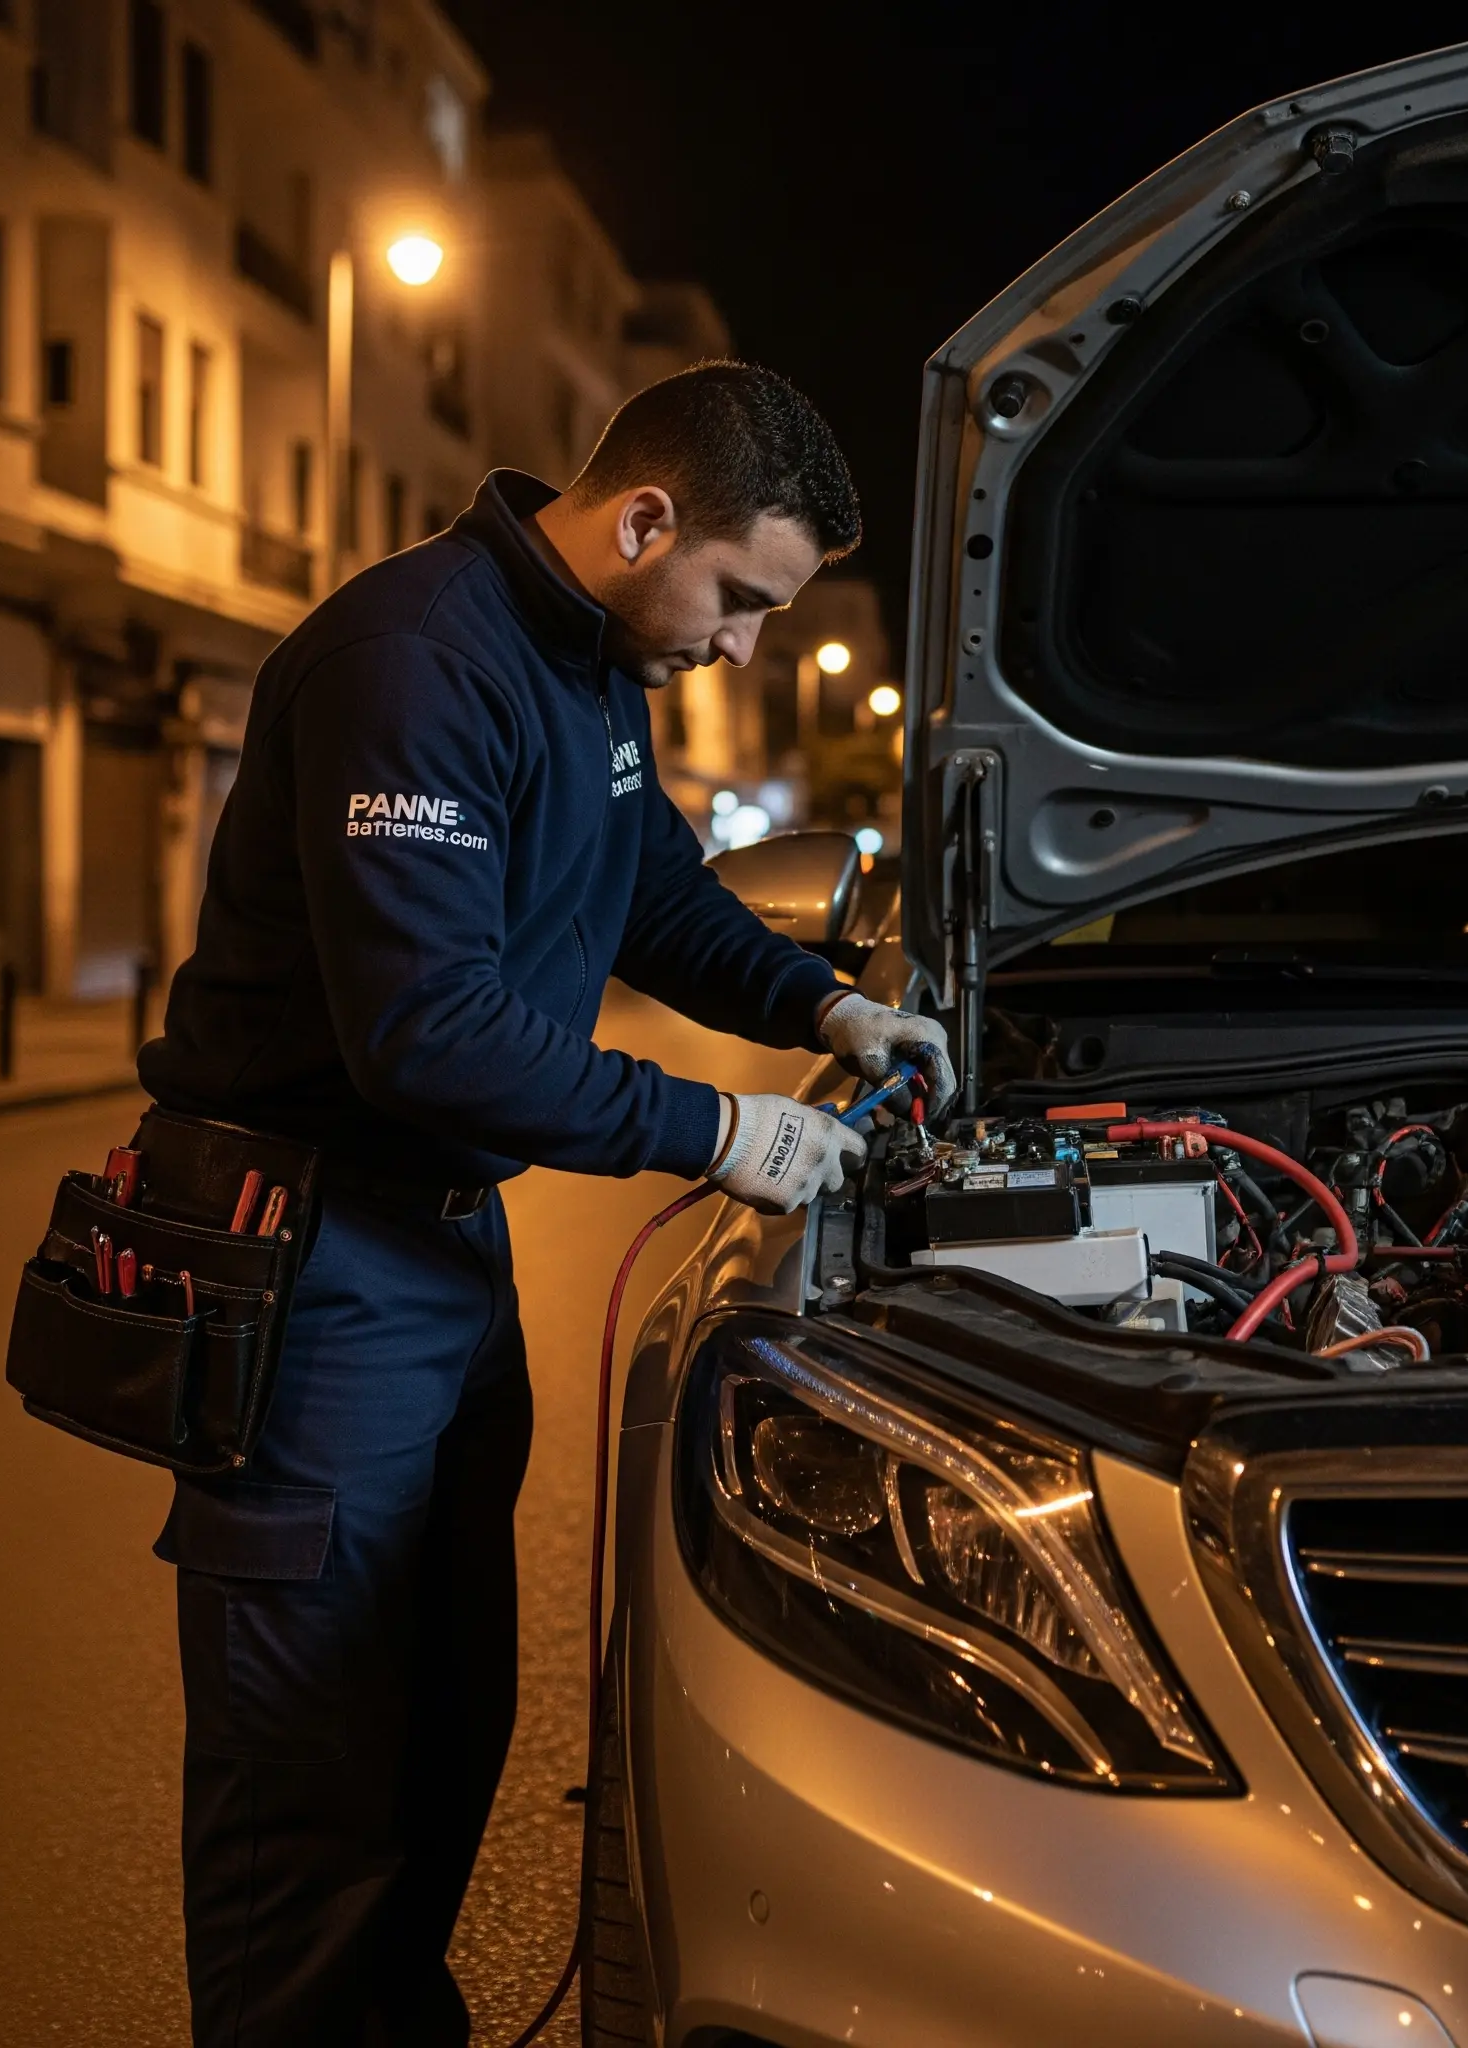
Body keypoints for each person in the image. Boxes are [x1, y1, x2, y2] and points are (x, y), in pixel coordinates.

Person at [136, 360, 953, 2046]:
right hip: (310, 1264)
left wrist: (822, 1005)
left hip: (435, 1247)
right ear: (647, 518)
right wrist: (715, 1130)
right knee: (317, 1774)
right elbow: (426, 1034)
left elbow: (653, 890)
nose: (742, 649)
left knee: (443, 1720)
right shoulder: (412, 662)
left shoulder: (591, 671)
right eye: (740, 599)